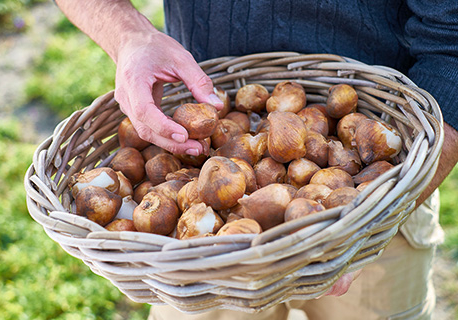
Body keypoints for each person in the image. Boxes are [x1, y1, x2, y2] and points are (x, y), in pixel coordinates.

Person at [54, 0, 458, 319]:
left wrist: (378, 219)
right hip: (196, 255)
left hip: (382, 202)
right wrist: (129, 35)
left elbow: (451, 40)